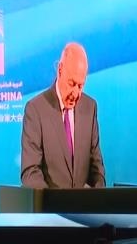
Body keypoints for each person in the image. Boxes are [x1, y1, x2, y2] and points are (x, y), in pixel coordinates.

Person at [21, 42, 106, 188]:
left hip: (84, 203)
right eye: (72, 84)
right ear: (60, 70)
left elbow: (96, 168)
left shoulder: (90, 108)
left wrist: (98, 194)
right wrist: (52, 200)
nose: (76, 93)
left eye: (80, 86)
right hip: (50, 202)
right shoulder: (35, 110)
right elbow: (30, 172)